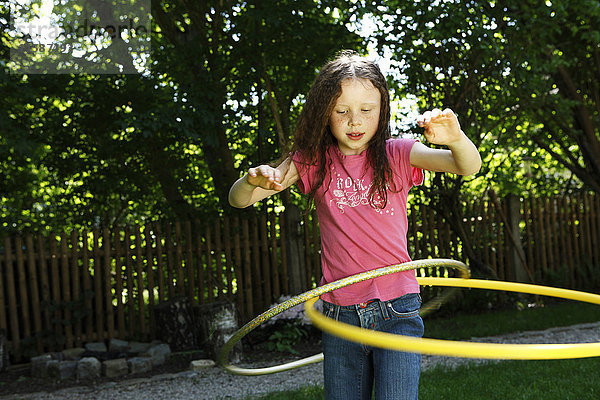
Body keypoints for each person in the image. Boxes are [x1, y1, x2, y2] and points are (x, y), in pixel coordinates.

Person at [228, 50, 481, 400]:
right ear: (324, 114)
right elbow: (238, 200)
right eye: (342, 111)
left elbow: (467, 166)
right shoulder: (312, 162)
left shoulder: (399, 154)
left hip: (397, 308)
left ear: (383, 110)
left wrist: (455, 138)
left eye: (366, 110)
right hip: (339, 311)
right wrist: (253, 180)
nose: (354, 121)